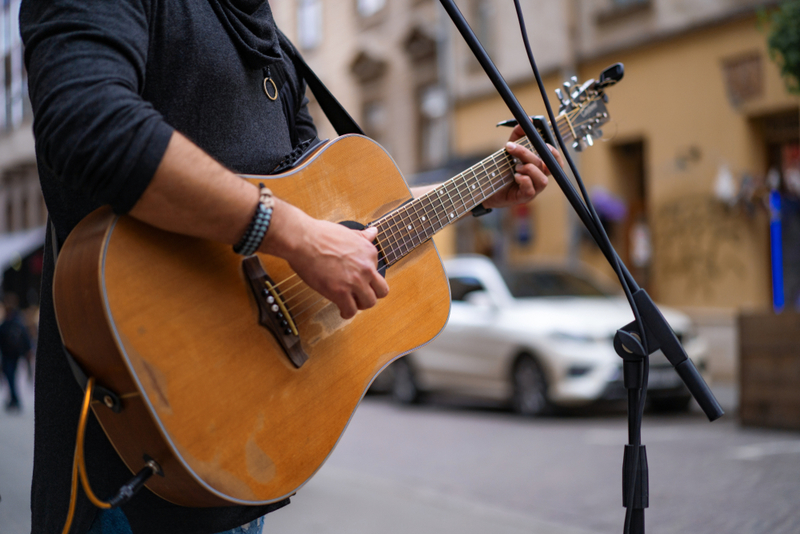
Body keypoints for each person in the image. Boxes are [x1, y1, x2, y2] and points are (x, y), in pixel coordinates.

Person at [20, 1, 560, 533]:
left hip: (236, 470)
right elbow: (89, 123)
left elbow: (329, 215)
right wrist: (295, 237)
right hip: (119, 481)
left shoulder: (269, 41)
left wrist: (478, 192)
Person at [0, 293, 32, 412]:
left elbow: (24, 337)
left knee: (10, 376)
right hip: (9, 355)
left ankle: (15, 399)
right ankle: (13, 399)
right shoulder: (9, 323)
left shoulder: (15, 322)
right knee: (10, 377)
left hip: (12, 355)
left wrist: (27, 351)